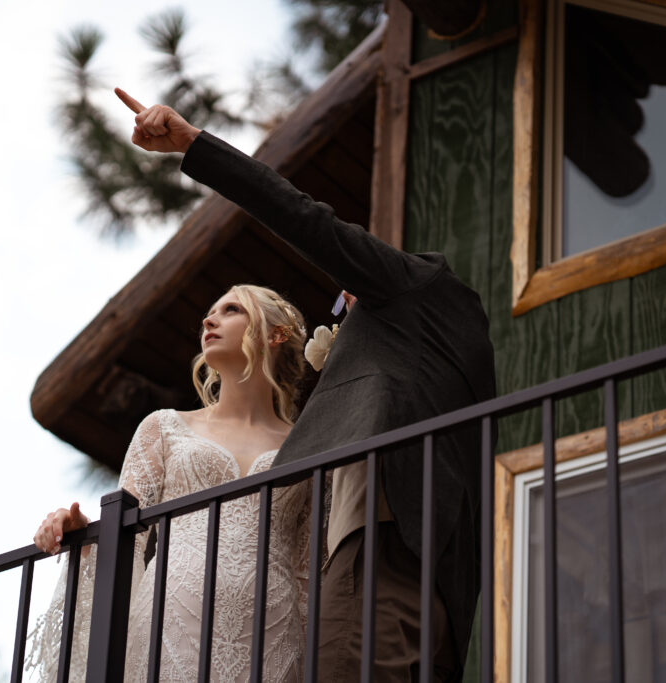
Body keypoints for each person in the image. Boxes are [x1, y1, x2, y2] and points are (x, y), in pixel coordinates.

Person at [116, 88, 497, 683]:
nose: (345, 298)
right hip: (395, 567)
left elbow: (304, 218)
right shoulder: (426, 351)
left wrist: (193, 145)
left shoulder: (416, 285)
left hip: (382, 545)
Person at [28, 284, 313, 682]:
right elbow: (125, 534)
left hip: (274, 629)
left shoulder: (310, 447)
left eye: (231, 310)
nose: (208, 319)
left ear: (275, 334)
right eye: (210, 311)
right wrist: (83, 531)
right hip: (173, 618)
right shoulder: (164, 428)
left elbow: (307, 569)